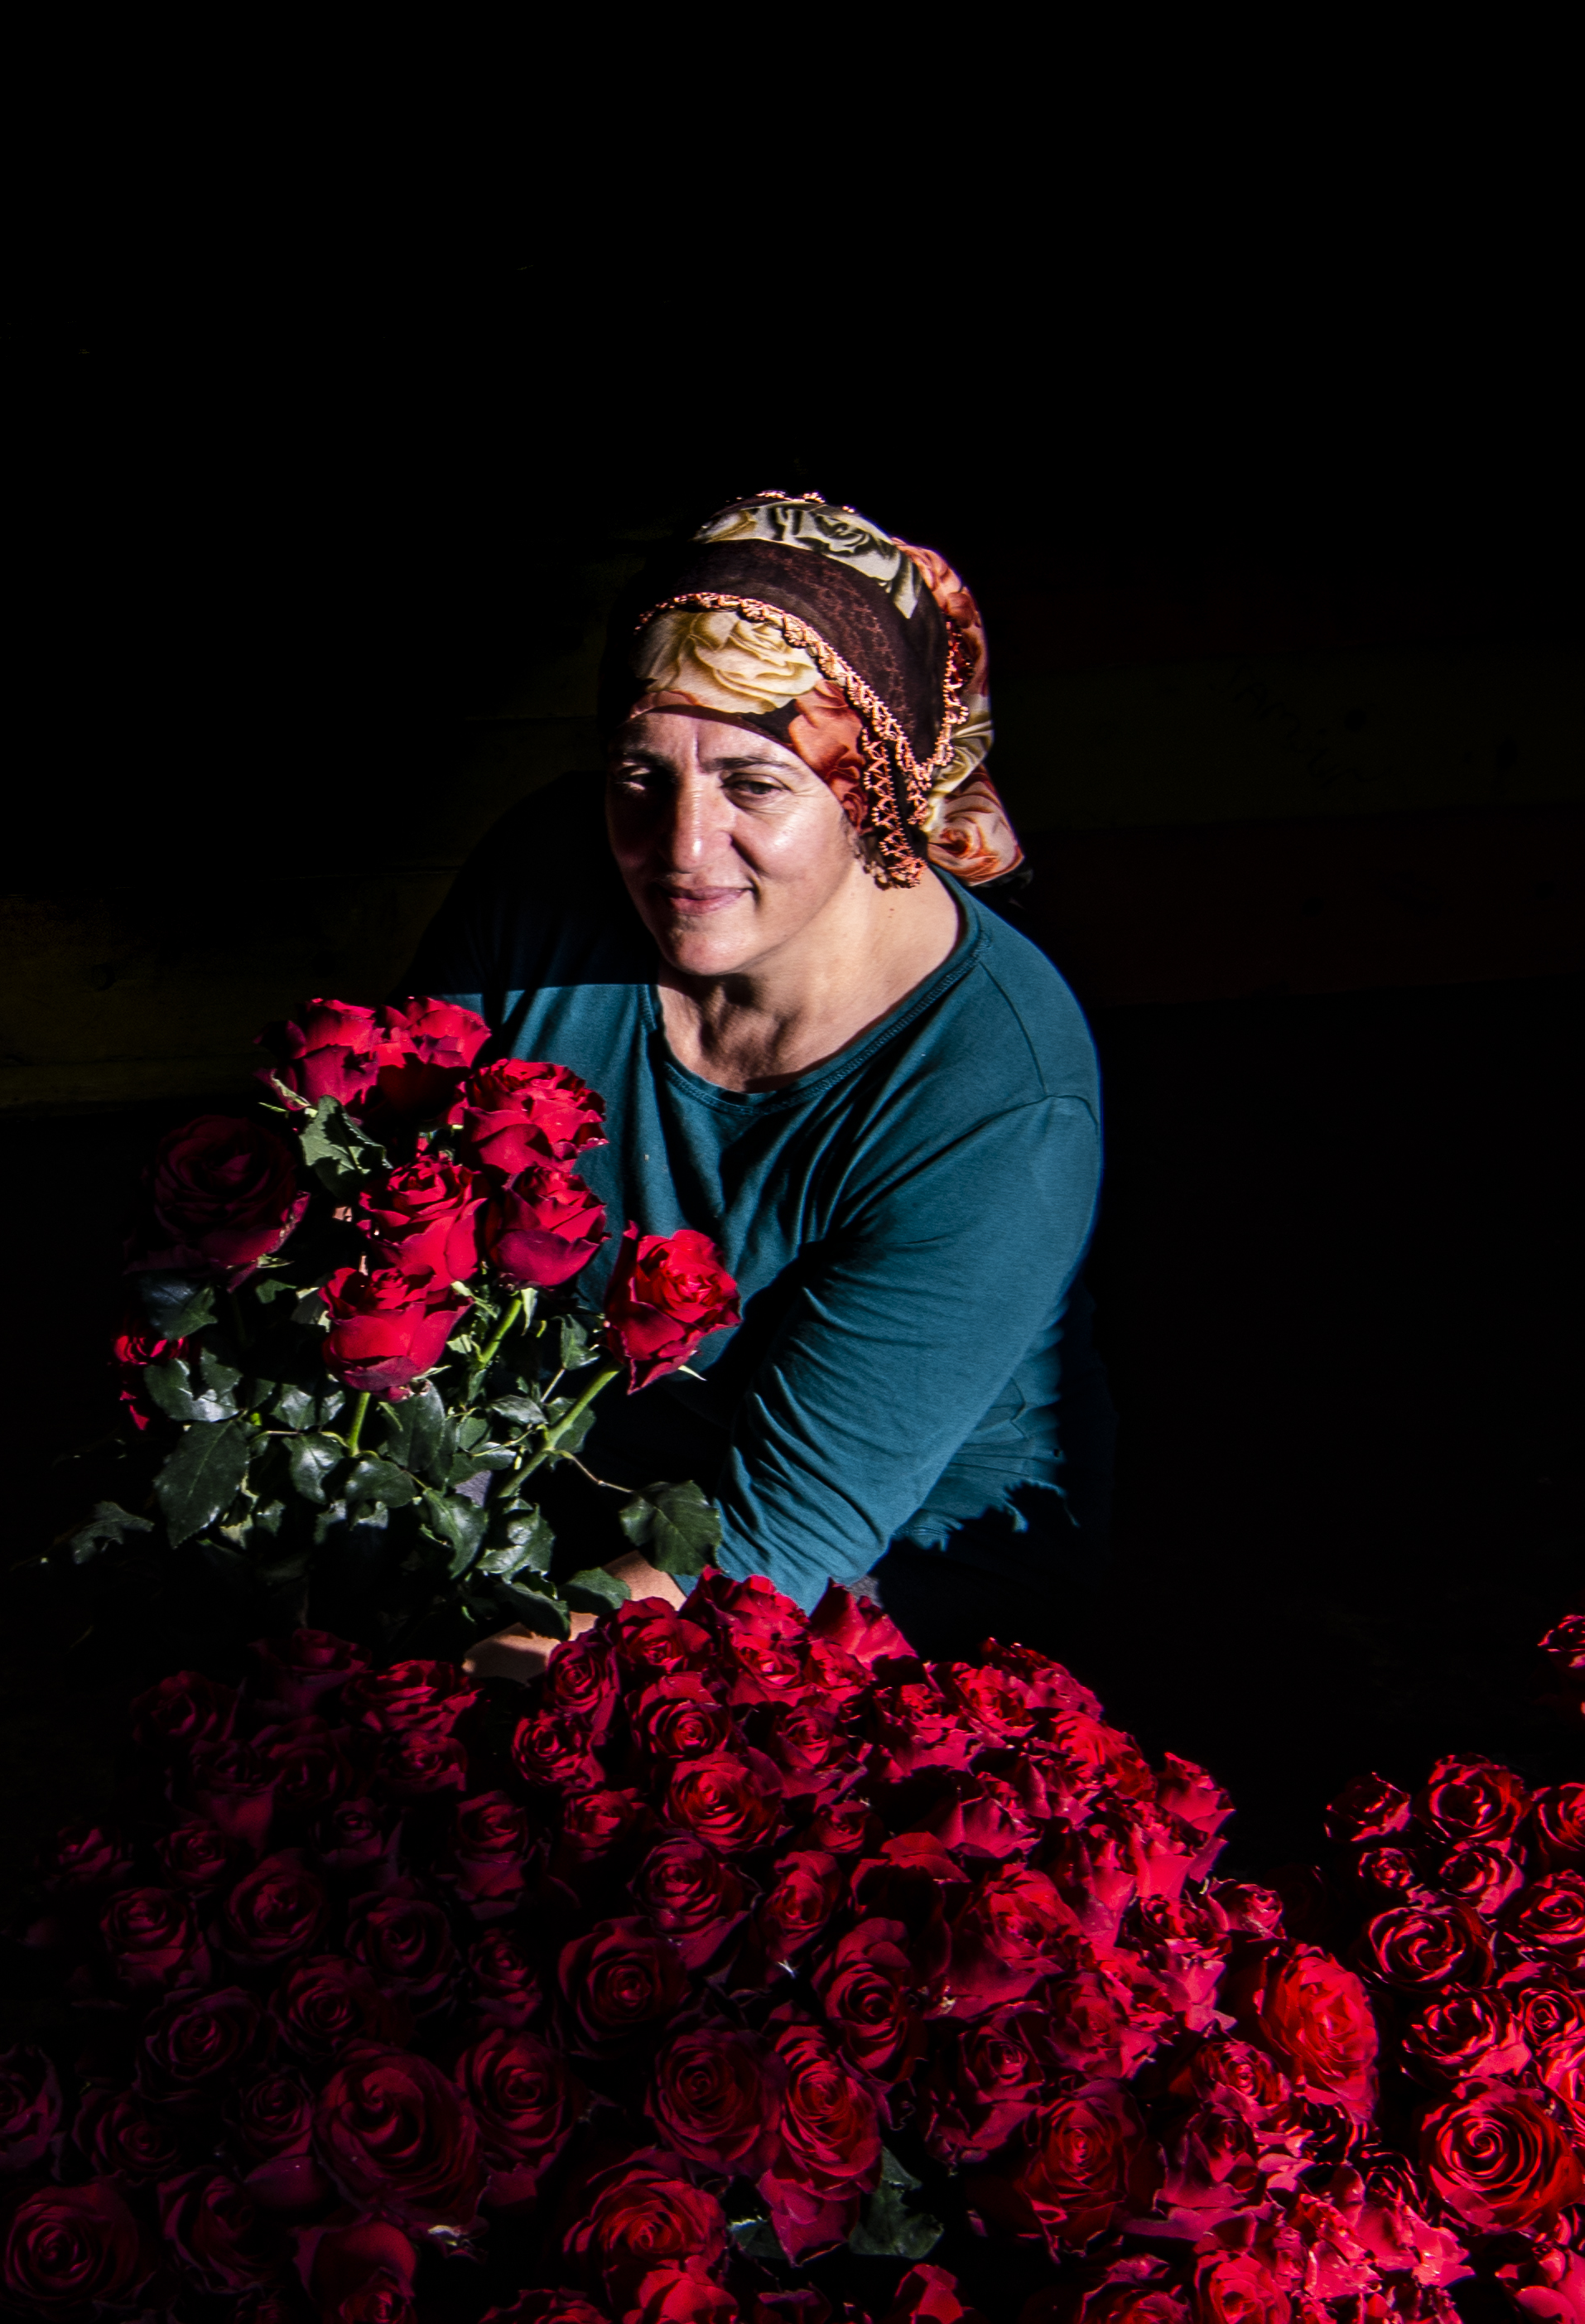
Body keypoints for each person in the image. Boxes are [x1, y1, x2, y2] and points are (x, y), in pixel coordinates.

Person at [409, 491, 1106, 1654]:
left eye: (755, 784)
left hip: (877, 1552)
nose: (681, 848)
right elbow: (392, 1197)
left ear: (871, 793)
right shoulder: (547, 879)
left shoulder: (992, 1088)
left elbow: (794, 1525)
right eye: (641, 774)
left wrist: (507, 1656)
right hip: (567, 1458)